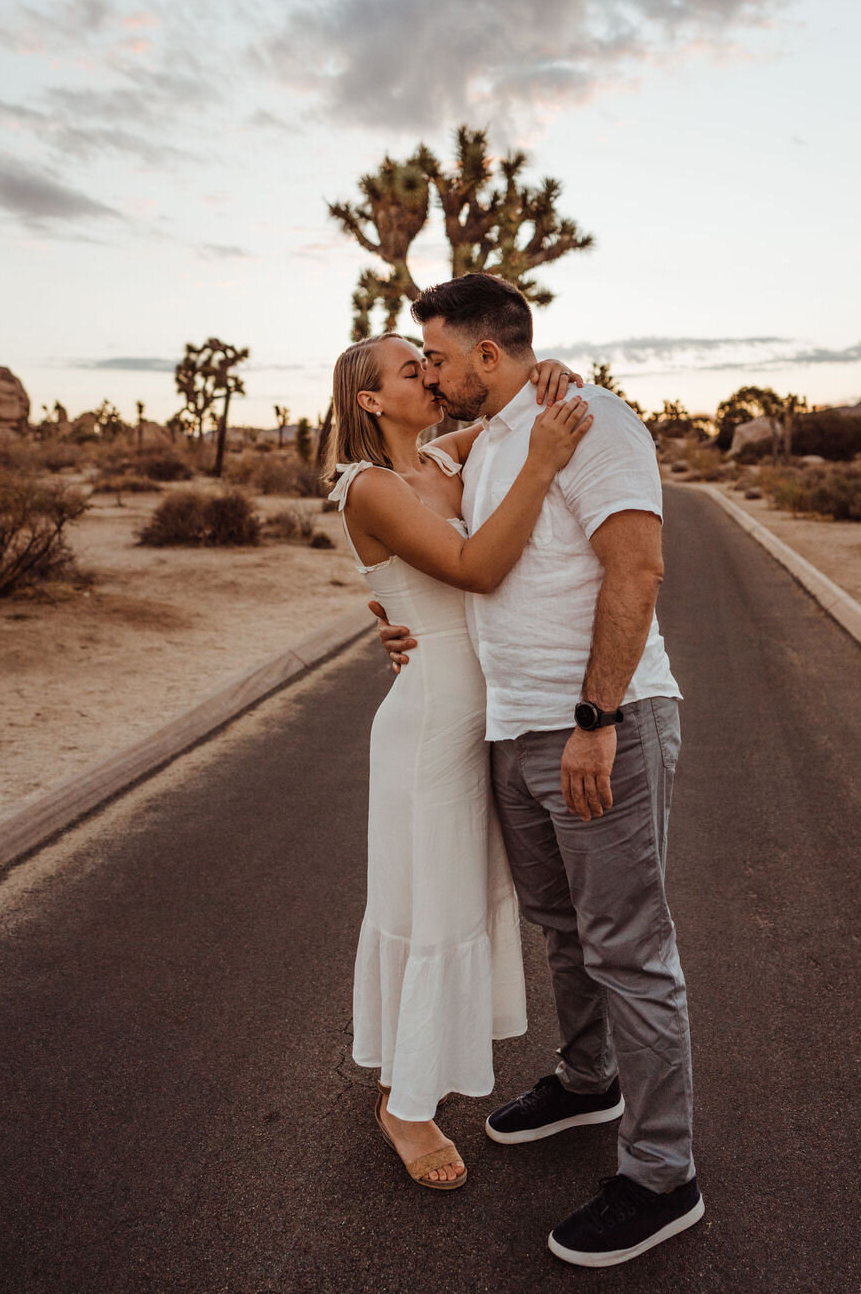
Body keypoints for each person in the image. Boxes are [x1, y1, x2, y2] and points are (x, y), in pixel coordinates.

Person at [374, 273, 703, 1266]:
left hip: (596, 722)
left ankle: (660, 1173)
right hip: (512, 728)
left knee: (627, 945)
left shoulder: (589, 418)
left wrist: (595, 717)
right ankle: (585, 1075)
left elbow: (635, 568)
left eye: (433, 355)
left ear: (483, 354)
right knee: (560, 925)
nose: (425, 372)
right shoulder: (495, 436)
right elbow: (439, 544)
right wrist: (394, 624)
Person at [323, 330, 591, 1191]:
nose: (430, 377)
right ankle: (404, 1106)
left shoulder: (447, 459)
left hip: (488, 717)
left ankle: (418, 1070)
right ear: (370, 400)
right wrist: (543, 465)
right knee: (429, 904)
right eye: (412, 371)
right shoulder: (368, 485)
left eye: (431, 363)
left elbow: (513, 406)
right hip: (432, 719)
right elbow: (474, 569)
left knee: (466, 900)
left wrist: (550, 378)